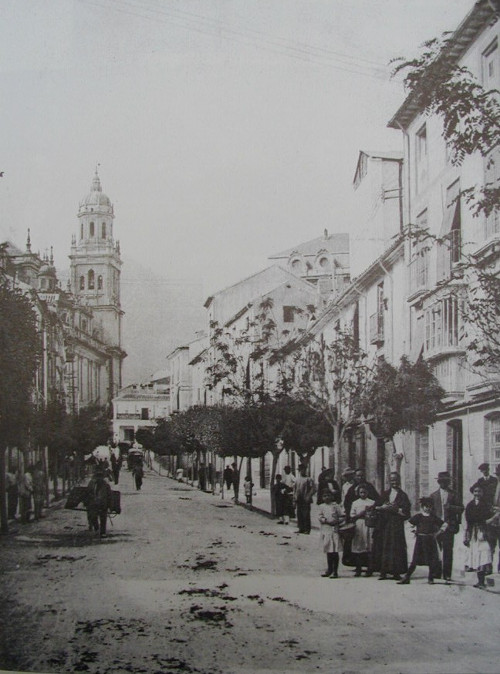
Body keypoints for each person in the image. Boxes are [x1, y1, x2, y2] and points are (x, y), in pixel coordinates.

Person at [398, 497, 446, 585]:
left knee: (432, 560)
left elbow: (444, 525)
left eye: (430, 506)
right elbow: (408, 525)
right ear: (422, 507)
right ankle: (407, 577)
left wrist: (437, 533)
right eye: (426, 506)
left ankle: (431, 578)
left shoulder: (433, 517)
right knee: (415, 560)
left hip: (430, 541)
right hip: (420, 541)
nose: (428, 508)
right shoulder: (418, 517)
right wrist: (414, 531)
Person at [375, 472, 411, 581]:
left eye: (396, 480)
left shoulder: (403, 495)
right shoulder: (385, 494)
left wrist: (397, 510)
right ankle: (383, 572)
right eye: (392, 480)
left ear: (399, 481)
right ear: (389, 481)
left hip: (397, 525)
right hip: (385, 524)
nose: (394, 482)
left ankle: (396, 572)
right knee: (384, 546)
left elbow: (406, 512)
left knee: (397, 547)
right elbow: (376, 506)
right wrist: (383, 507)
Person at [429, 471, 463, 581]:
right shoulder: (433, 496)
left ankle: (447, 574)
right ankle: (436, 572)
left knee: (448, 551)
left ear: (448, 482)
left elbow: (461, 508)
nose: (443, 483)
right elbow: (430, 512)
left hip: (449, 526)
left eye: (446, 481)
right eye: (441, 481)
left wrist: (451, 507)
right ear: (438, 482)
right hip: (437, 527)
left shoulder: (454, 494)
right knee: (436, 550)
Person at [464, 485, 493, 589]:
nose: (477, 493)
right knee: (476, 555)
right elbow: (468, 521)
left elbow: (488, 519)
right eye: (475, 491)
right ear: (473, 493)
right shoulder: (469, 505)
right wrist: (466, 535)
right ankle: (480, 581)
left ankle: (482, 580)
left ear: (483, 493)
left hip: (483, 532)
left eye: (479, 491)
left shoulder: (486, 505)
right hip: (473, 533)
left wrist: (494, 518)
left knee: (484, 554)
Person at [350, 484, 376, 577]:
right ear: (358, 493)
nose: (363, 494)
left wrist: (369, 513)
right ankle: (358, 568)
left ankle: (370, 569)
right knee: (358, 547)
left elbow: (375, 514)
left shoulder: (372, 502)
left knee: (369, 546)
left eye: (364, 492)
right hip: (359, 525)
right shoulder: (355, 503)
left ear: (368, 492)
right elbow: (352, 516)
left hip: (369, 525)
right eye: (361, 492)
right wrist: (360, 514)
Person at [318, 490, 344, 578]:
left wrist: (337, 521)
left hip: (335, 530)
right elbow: (320, 516)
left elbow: (342, 516)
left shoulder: (336, 506)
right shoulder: (321, 506)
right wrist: (325, 520)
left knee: (335, 550)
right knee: (329, 550)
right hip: (326, 530)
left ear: (332, 497)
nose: (327, 498)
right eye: (325, 496)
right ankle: (329, 569)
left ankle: (335, 571)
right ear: (322, 498)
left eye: (329, 495)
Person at [86, 465, 112, 537]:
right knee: (93, 517)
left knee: (103, 518)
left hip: (103, 504)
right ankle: (97, 527)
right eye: (97, 476)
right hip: (94, 503)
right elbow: (88, 493)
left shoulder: (106, 485)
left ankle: (103, 532)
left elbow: (109, 495)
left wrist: (109, 504)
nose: (99, 478)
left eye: (100, 476)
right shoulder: (92, 483)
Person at [293, 464, 316, 534]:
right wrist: (294, 499)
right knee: (299, 514)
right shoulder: (297, 479)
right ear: (299, 471)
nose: (303, 471)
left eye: (304, 469)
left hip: (306, 499)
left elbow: (313, 489)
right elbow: (295, 490)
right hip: (299, 499)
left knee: (306, 514)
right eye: (301, 470)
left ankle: (307, 529)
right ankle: (301, 528)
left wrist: (308, 496)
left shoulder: (309, 479)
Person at [486, 464, 500, 572]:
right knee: (490, 544)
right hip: (491, 521)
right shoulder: (491, 486)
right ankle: (488, 567)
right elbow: (485, 501)